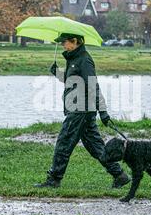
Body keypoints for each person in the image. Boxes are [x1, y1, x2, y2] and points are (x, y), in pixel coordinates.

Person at [35, 33, 131, 189]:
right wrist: (57, 73)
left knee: (63, 143)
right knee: (97, 147)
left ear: (75, 41)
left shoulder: (84, 60)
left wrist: (103, 111)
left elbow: (93, 86)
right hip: (80, 110)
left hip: (81, 111)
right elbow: (72, 81)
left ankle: (54, 179)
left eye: (64, 42)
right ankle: (120, 176)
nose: (62, 45)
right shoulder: (73, 58)